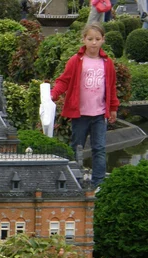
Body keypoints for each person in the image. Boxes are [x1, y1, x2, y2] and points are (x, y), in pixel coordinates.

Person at [51, 23, 119, 189]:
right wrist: (52, 95)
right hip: (80, 114)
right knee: (76, 147)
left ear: (103, 40)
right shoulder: (76, 60)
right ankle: (74, 180)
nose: (94, 43)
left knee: (100, 149)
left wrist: (113, 108)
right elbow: (64, 80)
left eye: (97, 39)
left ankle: (98, 183)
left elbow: (111, 86)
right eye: (90, 39)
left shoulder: (107, 63)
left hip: (99, 114)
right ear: (84, 40)